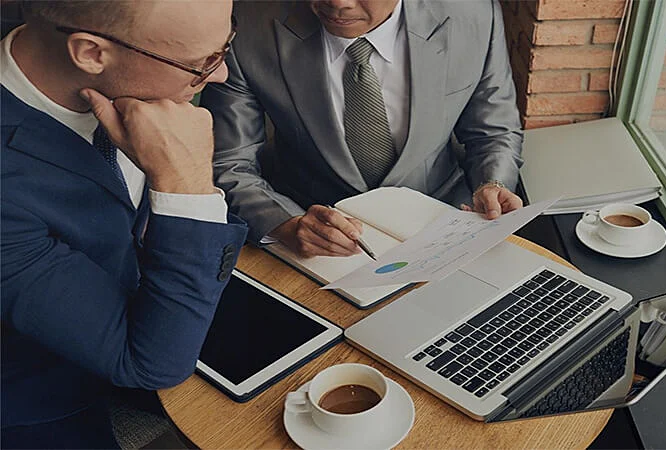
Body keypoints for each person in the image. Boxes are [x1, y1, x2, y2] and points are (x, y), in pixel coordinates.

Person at [0, 1, 248, 447]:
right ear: (91, 53)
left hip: (164, 302)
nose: (220, 77)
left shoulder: (139, 67)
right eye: (201, 63)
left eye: (226, 45)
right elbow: (150, 363)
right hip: (41, 392)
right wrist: (186, 184)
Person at [201, 0, 524, 258]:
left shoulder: (474, 14)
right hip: (311, 232)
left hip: (442, 222)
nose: (338, 4)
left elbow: (493, 130)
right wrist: (284, 223)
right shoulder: (246, 24)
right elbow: (229, 161)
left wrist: (491, 182)